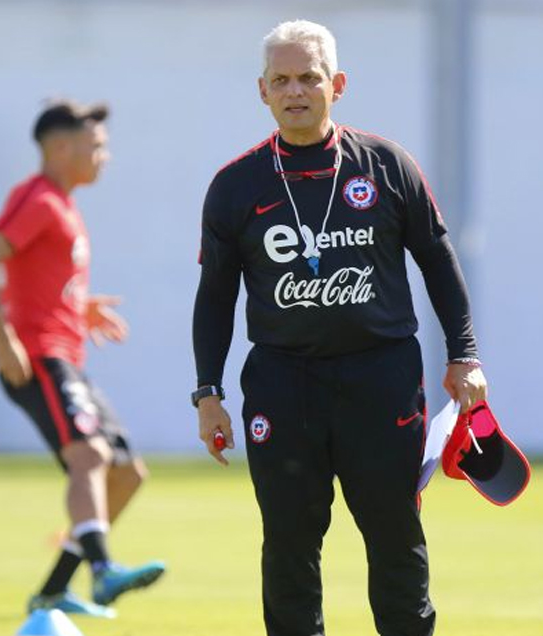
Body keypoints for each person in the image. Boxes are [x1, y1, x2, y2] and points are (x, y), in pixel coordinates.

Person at [192, 20, 487, 636]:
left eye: (309, 77)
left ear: (338, 84)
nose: (295, 91)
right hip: (282, 381)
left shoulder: (386, 165)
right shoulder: (235, 185)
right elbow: (215, 295)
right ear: (262, 90)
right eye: (281, 80)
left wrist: (464, 355)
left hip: (381, 376)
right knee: (289, 540)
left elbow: (438, 260)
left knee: (394, 530)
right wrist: (208, 393)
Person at [0, 100, 164, 618]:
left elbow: (36, 278)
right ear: (59, 147)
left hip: (66, 356)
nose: (104, 156)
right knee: (89, 457)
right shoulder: (39, 200)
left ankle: (53, 591)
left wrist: (79, 307)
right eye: (95, 146)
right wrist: (3, 339)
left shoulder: (63, 204)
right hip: (39, 358)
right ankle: (102, 569)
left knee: (126, 472)